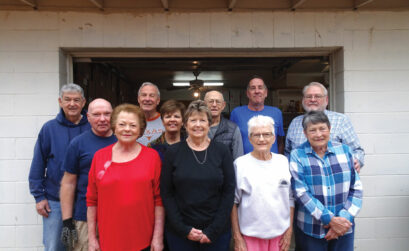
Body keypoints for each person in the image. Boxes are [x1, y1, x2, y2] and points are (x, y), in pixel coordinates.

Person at [86, 104, 164, 251]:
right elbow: (91, 201)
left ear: (140, 129)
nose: (127, 129)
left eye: (133, 125)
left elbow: (158, 200)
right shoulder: (100, 157)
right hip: (109, 240)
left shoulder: (152, 157)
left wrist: (158, 237)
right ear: (114, 126)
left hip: (143, 239)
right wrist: (92, 239)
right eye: (122, 124)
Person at [160, 100, 235, 251]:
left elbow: (229, 191)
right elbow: (166, 193)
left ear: (209, 124)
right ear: (185, 124)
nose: (198, 125)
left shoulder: (222, 151)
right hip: (180, 233)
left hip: (216, 233)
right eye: (193, 120)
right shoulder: (173, 152)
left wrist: (213, 230)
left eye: (202, 120)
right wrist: (183, 229)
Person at [289, 111, 363, 251]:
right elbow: (300, 192)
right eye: (312, 130)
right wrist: (330, 220)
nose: (318, 134)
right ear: (305, 133)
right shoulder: (297, 155)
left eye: (322, 128)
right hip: (311, 228)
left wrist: (343, 218)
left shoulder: (345, 150)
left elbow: (356, 188)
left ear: (329, 129)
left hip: (344, 228)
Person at [29, 83, 89, 251]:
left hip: (85, 200)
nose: (72, 104)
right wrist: (39, 197)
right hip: (55, 201)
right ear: (60, 101)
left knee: (84, 246)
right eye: (67, 99)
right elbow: (38, 164)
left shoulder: (92, 127)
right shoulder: (49, 129)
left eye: (76, 100)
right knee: (55, 246)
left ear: (83, 102)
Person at [60, 99, 117, 250]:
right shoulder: (78, 144)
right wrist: (67, 221)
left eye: (107, 114)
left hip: (118, 217)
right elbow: (68, 183)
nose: (103, 119)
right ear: (88, 117)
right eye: (97, 115)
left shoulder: (124, 140)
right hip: (84, 217)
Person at [231, 115, 294, 251]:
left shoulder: (283, 162)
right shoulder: (240, 164)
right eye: (256, 135)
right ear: (249, 138)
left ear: (274, 138)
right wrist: (237, 237)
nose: (261, 139)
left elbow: (290, 199)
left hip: (280, 236)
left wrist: (289, 232)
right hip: (249, 237)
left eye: (266, 134)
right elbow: (233, 203)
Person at [285, 82, 364, 173]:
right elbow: (288, 152)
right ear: (303, 100)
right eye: (308, 96)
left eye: (318, 96)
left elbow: (357, 150)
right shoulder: (295, 122)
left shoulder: (341, 120)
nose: (313, 99)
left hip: (335, 179)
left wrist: (357, 161)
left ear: (326, 100)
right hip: (302, 180)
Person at [230, 76, 285, 154]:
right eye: (253, 88)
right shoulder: (236, 113)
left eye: (260, 87)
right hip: (244, 164)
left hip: (271, 163)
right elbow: (231, 141)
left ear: (266, 93)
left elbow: (280, 141)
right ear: (247, 93)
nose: (257, 91)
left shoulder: (276, 113)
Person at [204, 90, 243, 160]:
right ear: (204, 104)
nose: (214, 105)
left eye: (218, 102)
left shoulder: (233, 129)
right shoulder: (196, 128)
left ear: (223, 105)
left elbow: (238, 160)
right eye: (211, 101)